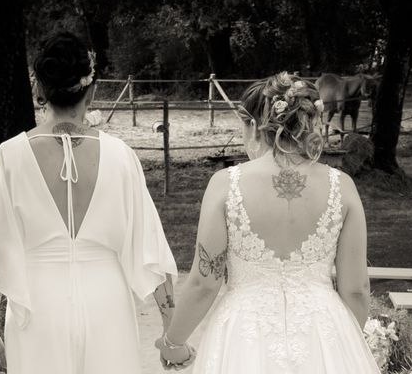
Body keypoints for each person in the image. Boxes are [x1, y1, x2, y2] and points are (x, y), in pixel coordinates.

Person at [0, 31, 178, 374]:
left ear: (39, 90)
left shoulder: (9, 158)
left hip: (38, 308)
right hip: (107, 303)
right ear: (92, 90)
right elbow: (150, 249)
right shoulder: (121, 157)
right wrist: (172, 331)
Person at [157, 72, 380, 373]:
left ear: (256, 126)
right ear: (310, 121)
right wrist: (347, 344)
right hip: (321, 330)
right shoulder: (343, 186)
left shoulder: (225, 184)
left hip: (244, 334)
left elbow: (203, 283)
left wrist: (173, 344)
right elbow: (356, 288)